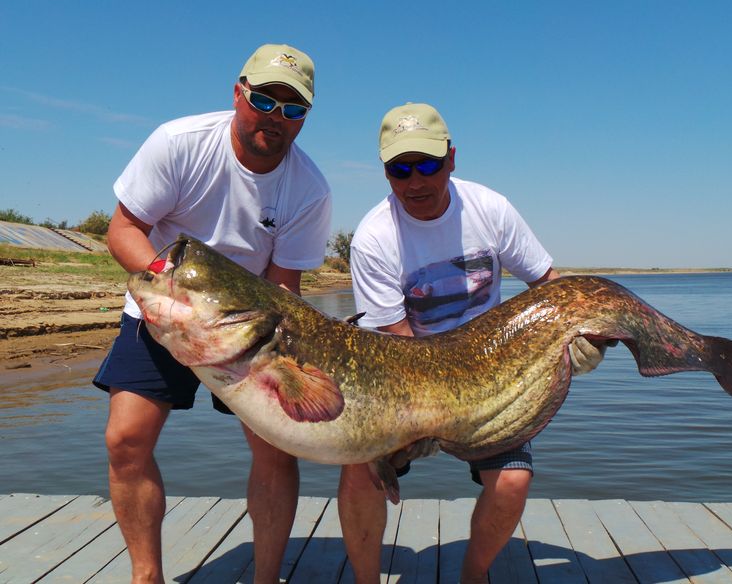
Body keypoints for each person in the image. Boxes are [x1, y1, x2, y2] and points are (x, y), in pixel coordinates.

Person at [337, 102, 608, 584]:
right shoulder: (374, 239)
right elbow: (398, 347)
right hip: (409, 383)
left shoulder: (490, 208)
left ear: (452, 158)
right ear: (385, 172)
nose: (415, 181)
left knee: (512, 481)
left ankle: (473, 573)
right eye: (401, 169)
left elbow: (550, 286)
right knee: (360, 471)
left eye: (428, 164)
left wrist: (574, 337)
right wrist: (421, 421)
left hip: (493, 377)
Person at [93, 43, 331, 584]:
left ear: (305, 119)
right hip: (164, 308)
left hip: (252, 328)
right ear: (238, 92)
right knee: (124, 439)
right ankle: (145, 575)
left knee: (276, 449)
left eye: (293, 109)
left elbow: (283, 287)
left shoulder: (310, 190)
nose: (276, 117)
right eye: (265, 100)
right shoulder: (179, 143)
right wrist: (170, 287)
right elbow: (123, 228)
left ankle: (265, 578)